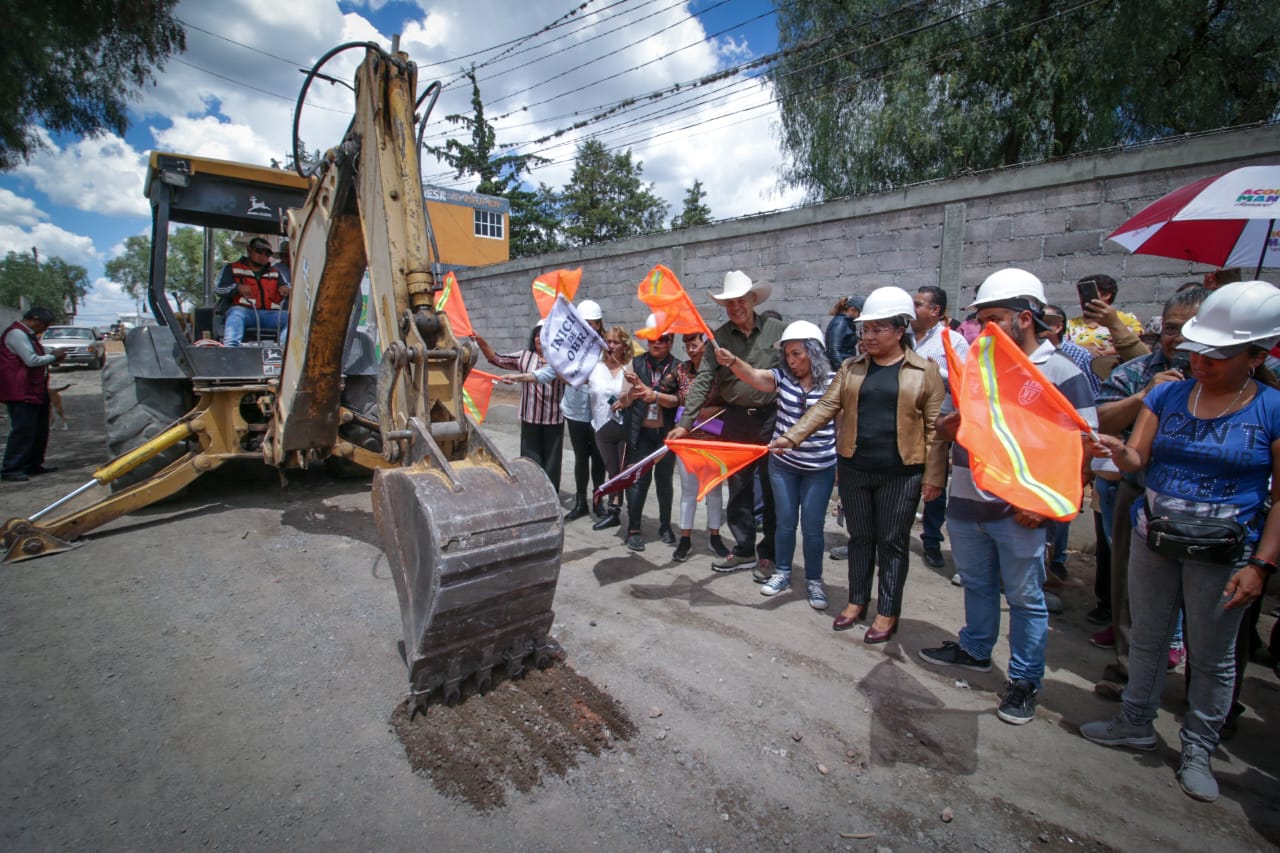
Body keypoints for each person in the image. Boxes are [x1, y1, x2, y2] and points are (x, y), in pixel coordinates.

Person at [1081, 280, 1280, 804]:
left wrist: (1260, 564)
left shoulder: (1272, 409)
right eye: (1198, 351)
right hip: (1155, 537)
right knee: (1146, 636)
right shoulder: (1168, 393)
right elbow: (1137, 460)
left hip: (1224, 552)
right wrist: (1112, 449)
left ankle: (1198, 746)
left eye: (1218, 356)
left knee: (1211, 656)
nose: (1201, 363)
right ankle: (1135, 720)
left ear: (1257, 357)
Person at [919, 268, 1098, 725]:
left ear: (1023, 318)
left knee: (1025, 598)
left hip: (1021, 512)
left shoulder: (1062, 372)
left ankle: (1023, 681)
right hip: (967, 502)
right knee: (977, 584)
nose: (980, 328)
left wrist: (1040, 505)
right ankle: (976, 650)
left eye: (991, 317)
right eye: (979, 319)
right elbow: (944, 423)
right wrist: (950, 425)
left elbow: (1083, 447)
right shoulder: (977, 363)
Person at [778, 289, 945, 638]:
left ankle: (886, 611)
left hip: (902, 473)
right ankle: (856, 601)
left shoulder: (925, 372)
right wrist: (792, 437)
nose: (867, 337)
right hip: (855, 467)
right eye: (864, 330)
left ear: (900, 330)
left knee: (892, 542)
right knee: (860, 538)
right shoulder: (851, 369)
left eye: (876, 329)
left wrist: (934, 477)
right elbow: (825, 408)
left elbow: (935, 431)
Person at [1087, 288, 1210, 700]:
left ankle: (1209, 697)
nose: (1180, 338)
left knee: (1209, 610)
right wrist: (1145, 397)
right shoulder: (1137, 371)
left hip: (1212, 510)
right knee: (1130, 591)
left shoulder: (1237, 386)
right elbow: (1098, 419)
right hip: (1137, 495)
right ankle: (1128, 674)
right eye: (1172, 328)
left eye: (1192, 327)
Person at [668, 271, 784, 579]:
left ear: (752, 300)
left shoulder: (778, 331)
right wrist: (686, 423)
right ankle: (744, 549)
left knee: (773, 490)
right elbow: (703, 380)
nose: (735, 308)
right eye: (729, 303)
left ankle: (769, 554)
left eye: (740, 301)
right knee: (739, 487)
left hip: (771, 419)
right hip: (735, 421)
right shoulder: (718, 337)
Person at [720, 320, 836, 610]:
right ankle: (783, 572)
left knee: (812, 527)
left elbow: (843, 424)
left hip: (820, 468)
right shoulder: (782, 378)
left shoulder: (836, 382)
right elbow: (755, 376)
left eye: (797, 353)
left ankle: (814, 580)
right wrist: (733, 361)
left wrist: (843, 463)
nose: (791, 360)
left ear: (814, 351)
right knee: (784, 523)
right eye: (787, 354)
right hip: (784, 466)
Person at [503, 300, 608, 522]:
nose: (589, 328)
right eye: (584, 324)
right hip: (576, 412)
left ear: (599, 324)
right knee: (581, 458)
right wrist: (520, 377)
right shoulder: (568, 349)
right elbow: (548, 371)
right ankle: (581, 503)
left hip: (600, 413)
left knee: (599, 459)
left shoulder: (606, 348)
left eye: (593, 324)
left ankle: (598, 501)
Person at [911, 285, 969, 574]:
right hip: (907, 420)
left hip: (941, 422)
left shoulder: (953, 341)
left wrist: (938, 372)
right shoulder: (903, 337)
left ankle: (931, 540)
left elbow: (967, 380)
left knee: (935, 482)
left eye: (919, 304)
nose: (913, 309)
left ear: (936, 311)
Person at [475, 322, 566, 493]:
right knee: (530, 460)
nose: (540, 338)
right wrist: (481, 341)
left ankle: (551, 495)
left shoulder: (560, 359)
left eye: (545, 334)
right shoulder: (524, 356)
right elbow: (496, 358)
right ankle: (531, 492)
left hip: (554, 418)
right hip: (530, 417)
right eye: (537, 334)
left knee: (552, 463)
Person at [621, 317, 681, 552]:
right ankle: (633, 529)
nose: (657, 343)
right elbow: (622, 399)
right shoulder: (634, 364)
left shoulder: (679, 367)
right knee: (638, 481)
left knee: (665, 482)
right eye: (653, 338)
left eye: (663, 339)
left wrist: (656, 396)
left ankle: (665, 526)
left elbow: (682, 401)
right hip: (641, 433)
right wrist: (635, 394)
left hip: (665, 435)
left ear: (670, 341)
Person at [672, 331, 728, 562]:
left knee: (714, 490)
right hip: (687, 440)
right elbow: (673, 398)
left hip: (714, 439)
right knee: (688, 490)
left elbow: (730, 402)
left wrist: (708, 412)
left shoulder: (720, 372)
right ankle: (685, 538)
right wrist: (648, 394)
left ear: (706, 345)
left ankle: (714, 535)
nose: (691, 349)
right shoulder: (680, 371)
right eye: (687, 345)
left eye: (695, 345)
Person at [0, 307, 67, 481]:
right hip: (21, 390)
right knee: (23, 430)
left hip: (35, 389)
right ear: (34, 319)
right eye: (44, 324)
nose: (45, 328)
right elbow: (31, 360)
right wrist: (54, 357)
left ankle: (33, 464)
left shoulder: (28, 336)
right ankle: (12, 468)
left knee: (39, 429)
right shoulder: (17, 334)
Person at [588, 326, 635, 530]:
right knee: (611, 469)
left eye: (616, 342)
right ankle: (613, 511)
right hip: (601, 425)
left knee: (623, 471)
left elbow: (637, 392)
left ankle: (618, 510)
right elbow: (572, 379)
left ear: (624, 345)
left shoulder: (631, 366)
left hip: (624, 426)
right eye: (608, 341)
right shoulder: (594, 367)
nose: (611, 345)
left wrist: (626, 401)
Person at [215, 236, 290, 346]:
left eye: (267, 253)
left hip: (270, 314)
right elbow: (219, 290)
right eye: (259, 251)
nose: (263, 256)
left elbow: (285, 292)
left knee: (291, 318)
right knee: (236, 314)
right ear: (249, 250)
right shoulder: (232, 268)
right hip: (245, 312)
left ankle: (284, 351)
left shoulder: (276, 273)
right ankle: (231, 349)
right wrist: (237, 288)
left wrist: (287, 291)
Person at [1066, 273, 1147, 359]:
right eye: (1081, 293)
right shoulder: (1070, 324)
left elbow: (1136, 346)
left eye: (1088, 293)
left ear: (1106, 295)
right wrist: (1084, 349)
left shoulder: (1127, 319)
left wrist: (1106, 352)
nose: (1083, 298)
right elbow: (1061, 347)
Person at [824, 295, 863, 370]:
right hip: (841, 368)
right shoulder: (840, 323)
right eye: (859, 313)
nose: (859, 317)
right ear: (852, 310)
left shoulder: (847, 323)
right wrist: (843, 370)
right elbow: (834, 350)